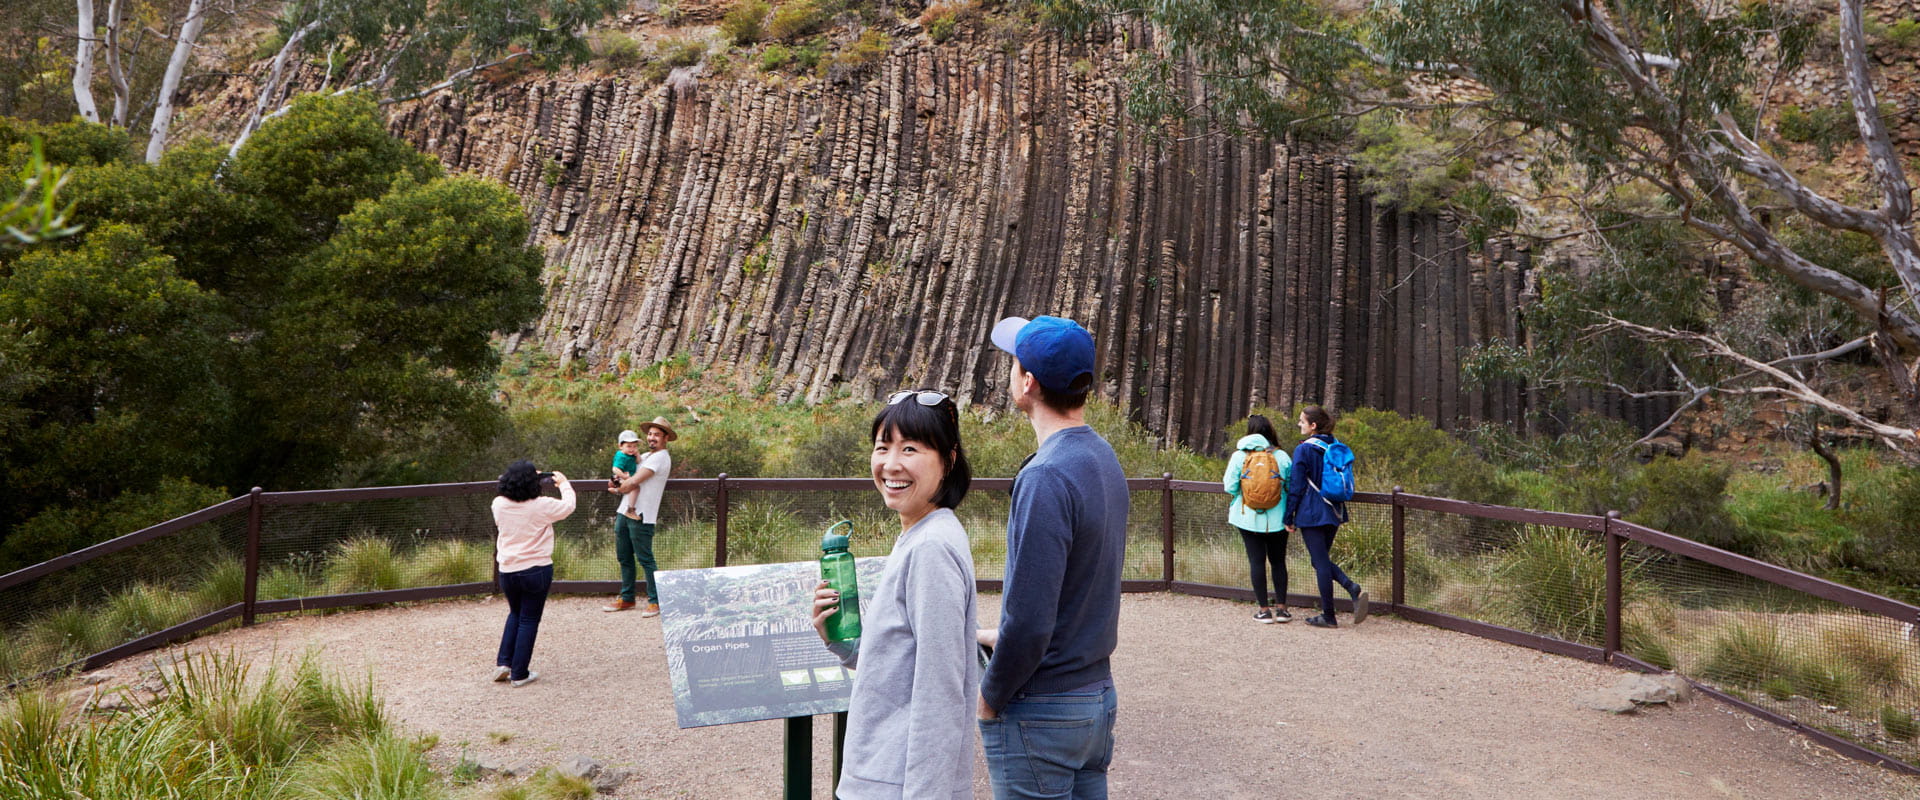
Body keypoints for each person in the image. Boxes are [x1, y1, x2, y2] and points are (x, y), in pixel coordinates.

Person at [978, 315, 1128, 800]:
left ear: (1028, 382)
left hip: (1042, 709)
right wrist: (994, 634)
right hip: (1095, 699)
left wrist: (989, 697)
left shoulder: (1045, 476)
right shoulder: (1103, 458)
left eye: (1014, 361)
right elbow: (1077, 588)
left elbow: (1031, 619)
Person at [809, 388, 980, 799]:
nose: (891, 464)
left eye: (910, 449)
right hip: (885, 775)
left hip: (898, 784)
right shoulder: (920, 535)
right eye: (882, 447)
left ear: (948, 461)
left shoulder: (931, 549)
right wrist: (839, 642)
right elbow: (898, 667)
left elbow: (941, 690)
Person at [491, 460, 576, 687]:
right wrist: (564, 484)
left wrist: (527, 476)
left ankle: (504, 663)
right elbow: (568, 506)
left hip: (508, 570)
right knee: (529, 619)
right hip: (536, 569)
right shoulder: (542, 505)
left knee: (515, 614)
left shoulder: (498, 504)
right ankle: (519, 674)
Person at [1284, 405, 1368, 628]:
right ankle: (1350, 587)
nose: (1299, 425)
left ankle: (1329, 615)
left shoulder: (1304, 450)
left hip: (1311, 511)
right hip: (1334, 509)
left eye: (1302, 421)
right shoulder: (1334, 445)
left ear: (1313, 426)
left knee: (1320, 562)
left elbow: (1297, 485)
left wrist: (1288, 515)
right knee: (1318, 559)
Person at [1224, 414, 1293, 623]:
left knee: (1256, 562)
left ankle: (1264, 610)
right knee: (1278, 561)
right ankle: (1282, 609)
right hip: (1278, 518)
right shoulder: (1282, 457)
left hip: (1247, 518)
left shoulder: (1239, 456)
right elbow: (1291, 486)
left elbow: (1230, 486)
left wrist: (1245, 495)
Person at [604, 416, 675, 616]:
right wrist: (616, 481)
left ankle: (655, 601)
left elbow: (634, 481)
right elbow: (626, 474)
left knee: (645, 558)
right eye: (650, 434)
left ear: (665, 438)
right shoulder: (644, 456)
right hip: (625, 510)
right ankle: (627, 598)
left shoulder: (661, 458)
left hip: (643, 514)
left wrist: (619, 488)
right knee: (624, 556)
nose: (652, 438)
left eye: (657, 435)